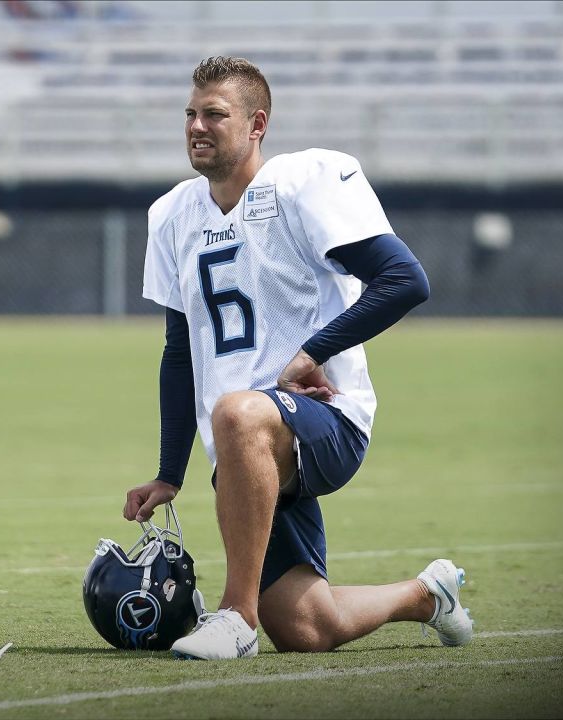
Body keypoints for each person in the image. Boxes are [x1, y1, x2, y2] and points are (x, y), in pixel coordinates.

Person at [124, 57, 472, 659]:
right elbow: (179, 353)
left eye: (215, 114)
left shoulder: (301, 183)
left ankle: (235, 618)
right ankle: (427, 595)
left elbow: (404, 280)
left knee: (237, 412)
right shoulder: (173, 215)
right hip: (240, 449)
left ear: (257, 124)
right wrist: (169, 471)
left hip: (327, 420)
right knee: (309, 629)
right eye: (190, 114)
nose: (197, 127)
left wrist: (310, 353)